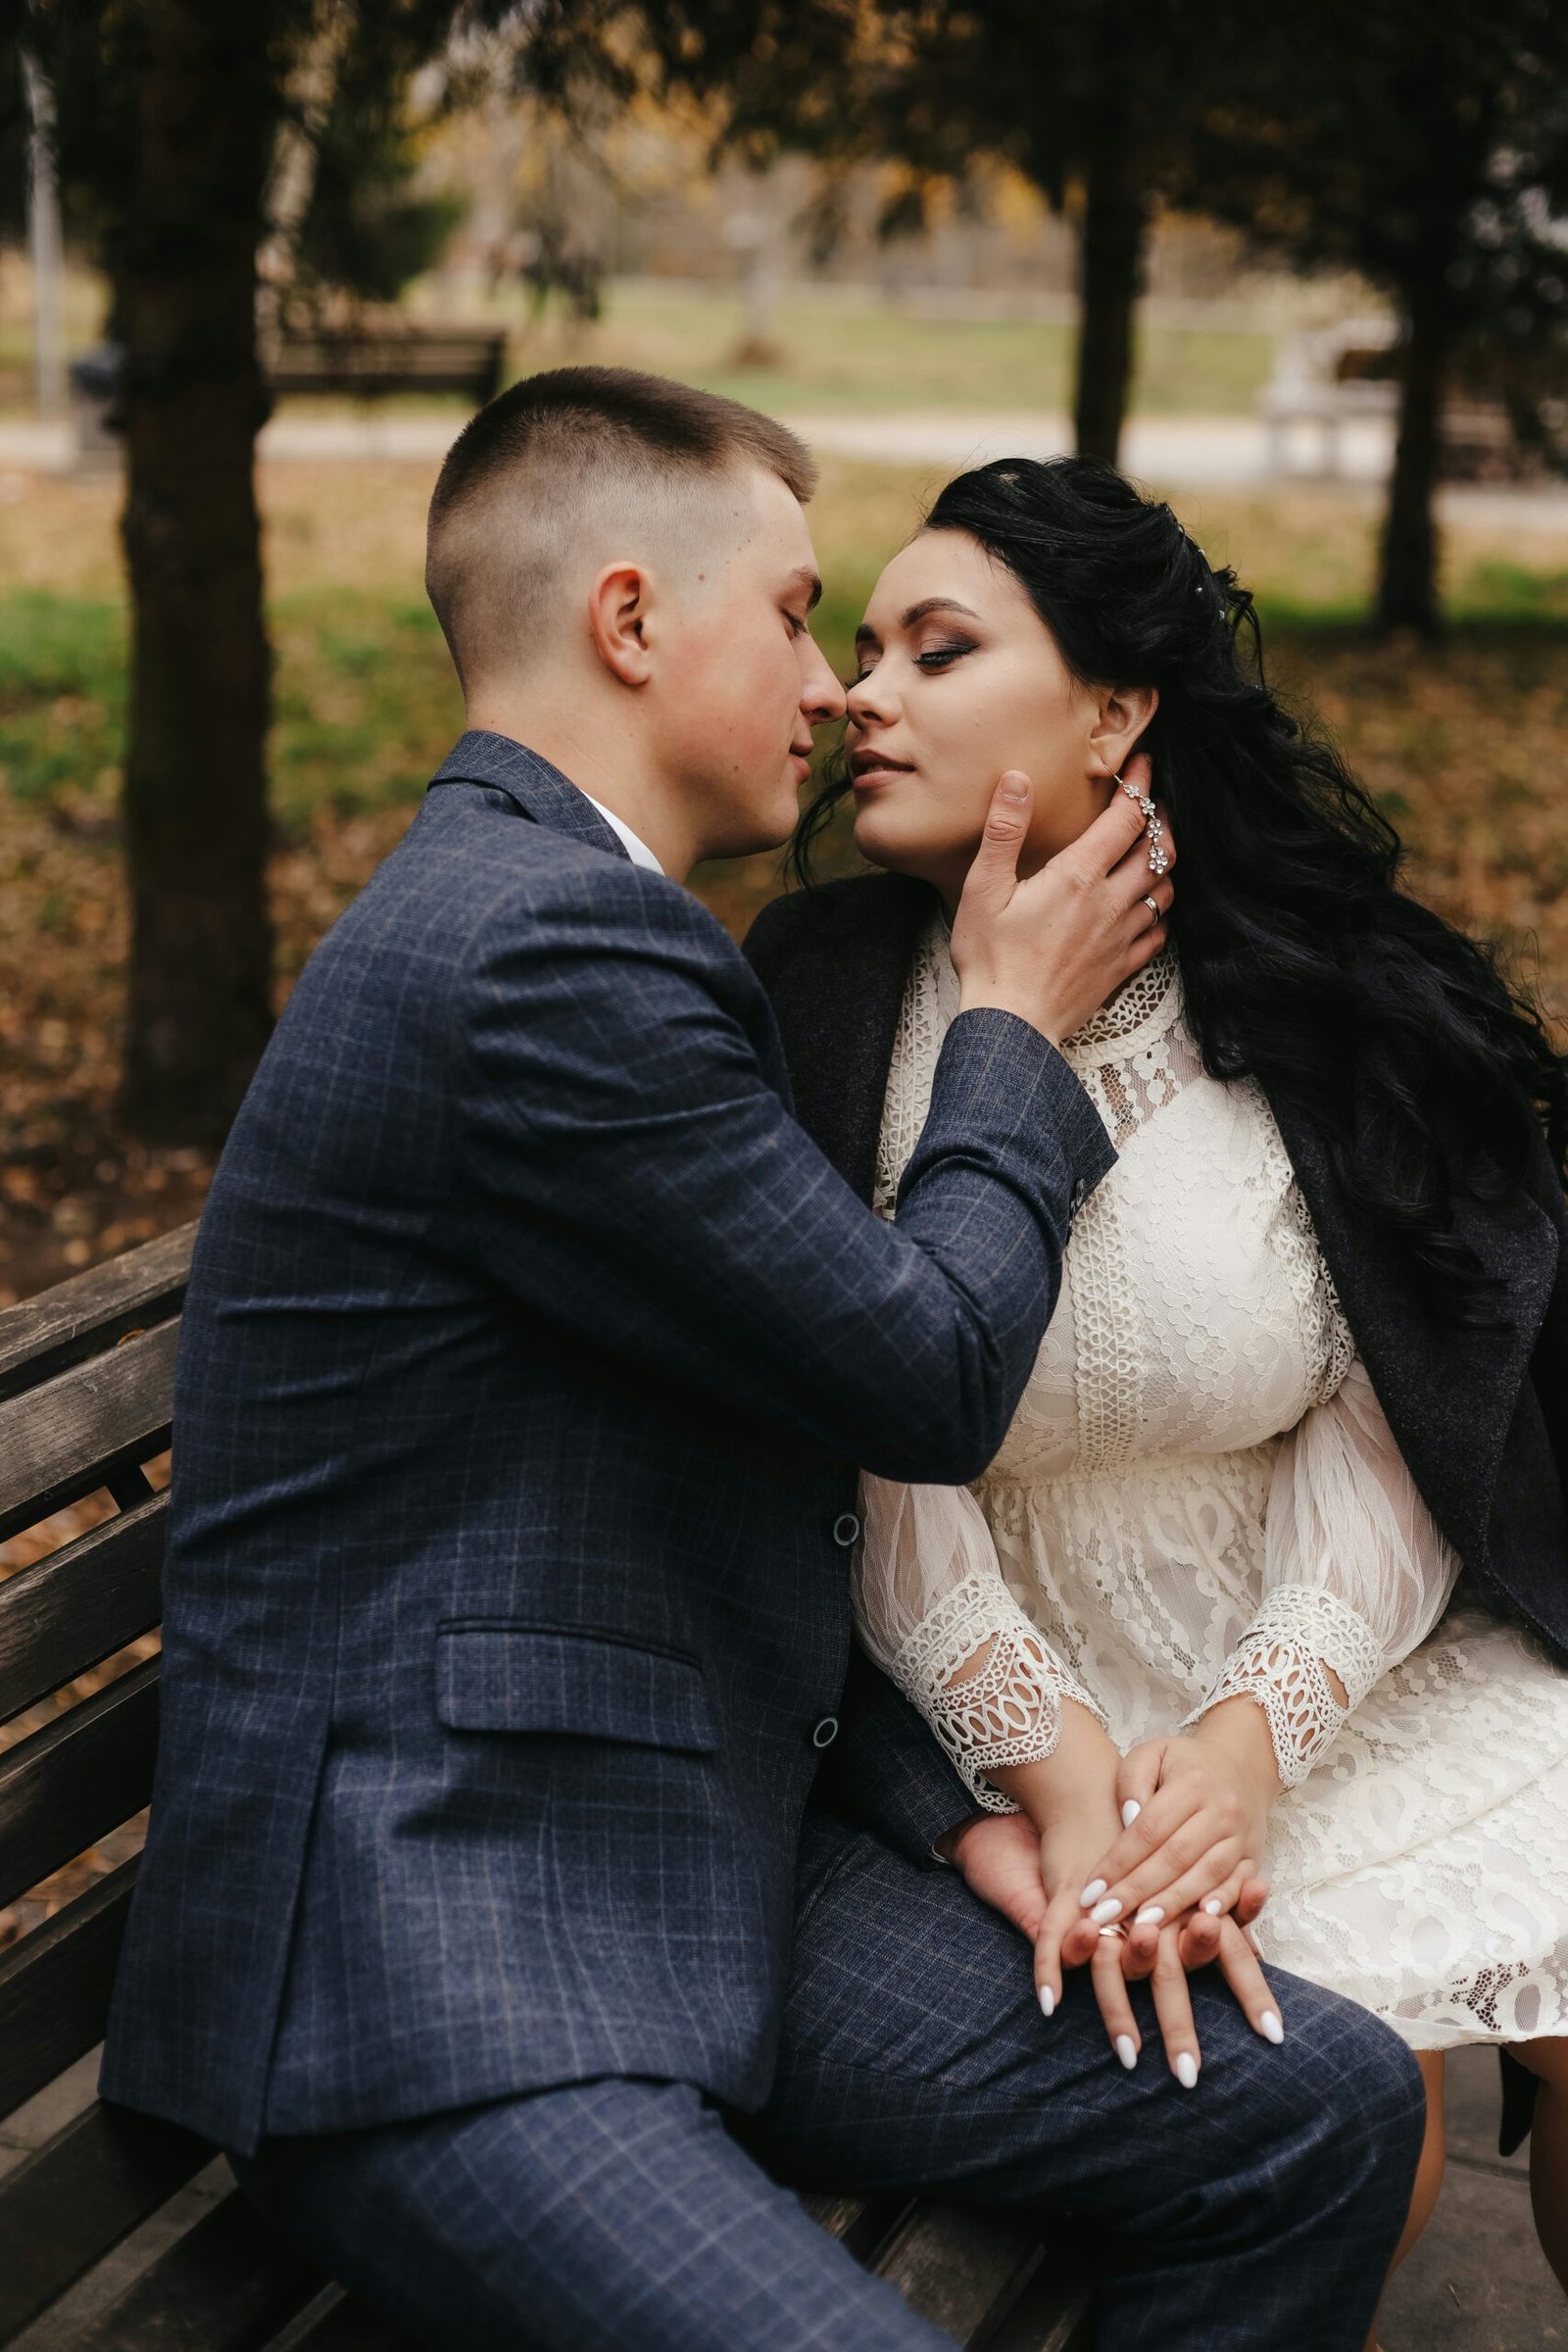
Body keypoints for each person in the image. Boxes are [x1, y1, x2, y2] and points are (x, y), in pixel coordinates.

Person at [101, 373, 1424, 2352]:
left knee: (1316, 2109)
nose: (827, 690)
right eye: (799, 615)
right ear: (631, 624)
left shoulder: (599, 932)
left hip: (678, 1870)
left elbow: (765, 1483)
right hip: (440, 1955)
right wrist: (1009, 1023)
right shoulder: (537, 951)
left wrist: (953, 1817)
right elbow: (919, 1375)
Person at [745, 450, 1568, 2336]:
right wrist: (1058, 1761)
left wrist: (1256, 1734)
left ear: (1119, 711)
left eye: (934, 650)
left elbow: (1392, 1408)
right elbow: (860, 1443)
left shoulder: (1299, 989)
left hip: (1324, 1666)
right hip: (1004, 1724)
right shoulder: (813, 996)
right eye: (860, 647)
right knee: (1363, 2123)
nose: (860, 693)